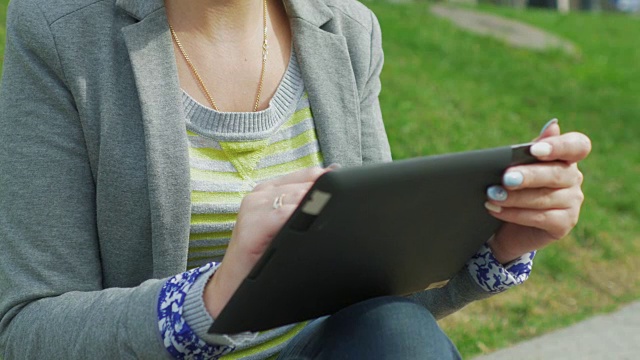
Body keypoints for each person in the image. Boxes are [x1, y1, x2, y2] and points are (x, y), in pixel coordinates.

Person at [0, 0, 591, 359]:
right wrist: (213, 298)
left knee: (396, 333)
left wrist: (501, 247)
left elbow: (380, 304)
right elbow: (26, 330)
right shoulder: (60, 31)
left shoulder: (348, 31)